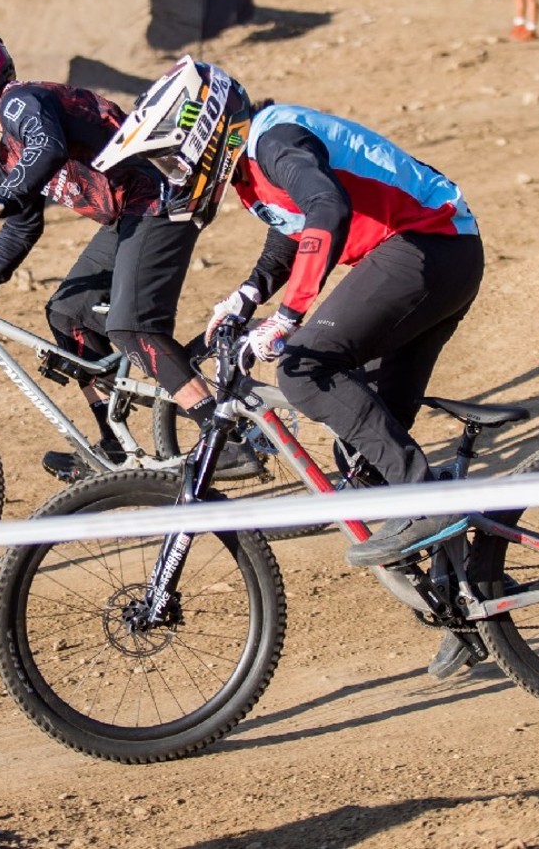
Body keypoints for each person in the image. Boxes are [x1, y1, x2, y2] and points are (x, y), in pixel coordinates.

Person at [111, 59, 484, 676]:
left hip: (428, 247)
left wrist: (289, 315)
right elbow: (291, 229)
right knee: (365, 459)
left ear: (206, 129)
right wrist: (249, 293)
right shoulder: (254, 167)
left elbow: (327, 210)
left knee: (304, 370)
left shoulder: (273, 140)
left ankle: (427, 499)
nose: (176, 173)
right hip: (440, 254)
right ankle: (473, 609)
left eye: (176, 157)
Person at [0, 31, 261, 481]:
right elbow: (24, 224)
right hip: (130, 214)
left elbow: (49, 149)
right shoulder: (10, 155)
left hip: (160, 199)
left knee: (132, 326)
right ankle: (115, 451)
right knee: (69, 315)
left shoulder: (19, 102)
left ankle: (225, 439)